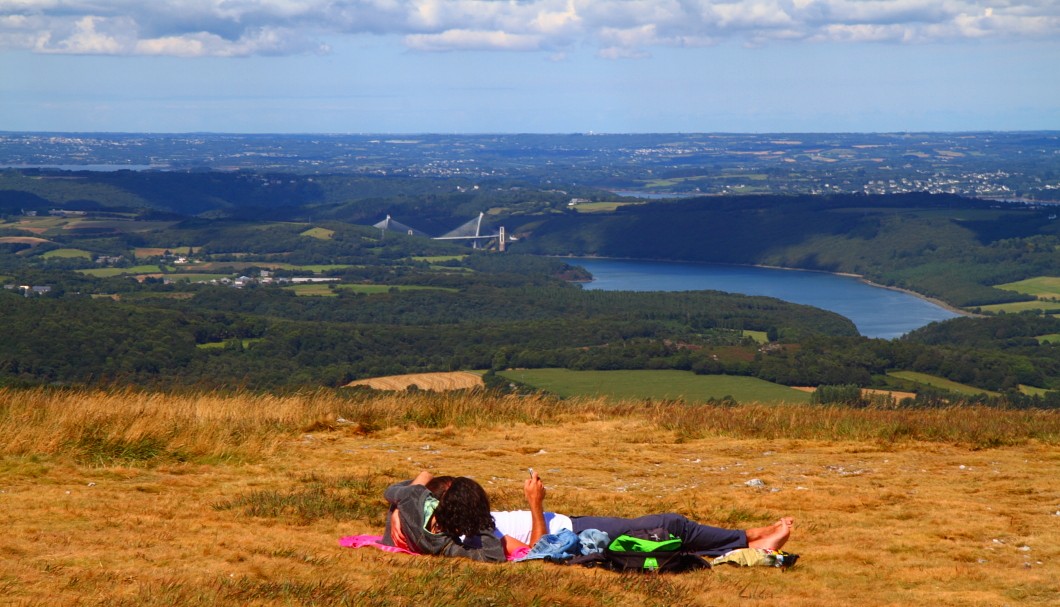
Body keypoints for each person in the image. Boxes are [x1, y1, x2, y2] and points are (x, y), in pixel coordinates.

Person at [493, 471, 795, 557]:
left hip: (573, 524)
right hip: (575, 535)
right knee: (669, 525)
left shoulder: (468, 526)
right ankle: (750, 537)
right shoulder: (473, 537)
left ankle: (748, 544)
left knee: (664, 536)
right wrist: (535, 504)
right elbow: (532, 554)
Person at [379, 470, 507, 562]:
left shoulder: (413, 496)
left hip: (389, 541)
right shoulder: (444, 546)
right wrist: (483, 520)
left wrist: (397, 508)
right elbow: (494, 556)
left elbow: (390, 491)